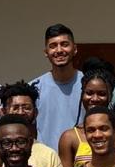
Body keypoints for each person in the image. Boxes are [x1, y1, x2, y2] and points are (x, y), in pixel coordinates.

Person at [30, 23, 83, 151]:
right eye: (53, 46)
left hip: (83, 163)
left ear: (75, 49)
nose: (59, 50)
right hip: (47, 163)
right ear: (46, 52)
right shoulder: (34, 88)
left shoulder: (89, 84)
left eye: (64, 44)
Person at [58, 60, 115, 167]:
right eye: (89, 93)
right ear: (82, 94)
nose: (94, 99)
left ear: (110, 95)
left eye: (102, 94)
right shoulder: (70, 137)